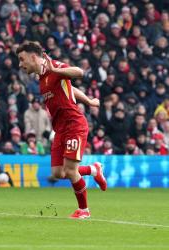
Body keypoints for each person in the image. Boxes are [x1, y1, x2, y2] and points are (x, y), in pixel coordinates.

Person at [16, 41, 107, 219]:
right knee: (59, 173)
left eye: (22, 59)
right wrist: (88, 101)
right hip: (60, 129)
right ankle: (93, 170)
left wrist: (57, 70)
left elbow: (79, 72)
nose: (20, 64)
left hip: (74, 124)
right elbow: (69, 88)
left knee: (71, 171)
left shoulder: (53, 66)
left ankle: (84, 210)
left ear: (33, 57)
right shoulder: (42, 78)